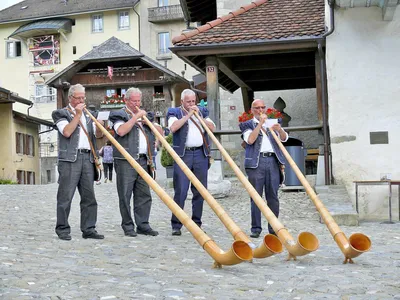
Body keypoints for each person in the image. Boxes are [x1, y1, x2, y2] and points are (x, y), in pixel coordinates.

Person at [52, 83, 104, 241]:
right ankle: (62, 229)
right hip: (69, 160)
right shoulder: (60, 113)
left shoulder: (89, 114)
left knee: (89, 197)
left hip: (87, 158)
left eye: (83, 97)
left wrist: (100, 127)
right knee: (65, 196)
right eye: (78, 98)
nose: (82, 100)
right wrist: (77, 115)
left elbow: (99, 136)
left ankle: (89, 228)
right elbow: (67, 132)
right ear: (70, 98)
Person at [109, 87, 158, 237]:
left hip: (144, 159)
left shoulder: (145, 116)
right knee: (125, 194)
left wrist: (149, 123)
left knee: (144, 194)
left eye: (138, 101)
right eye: (134, 101)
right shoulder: (118, 114)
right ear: (126, 100)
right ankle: (128, 225)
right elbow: (121, 131)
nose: (137, 103)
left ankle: (143, 224)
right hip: (126, 161)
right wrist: (135, 118)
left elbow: (159, 133)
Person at [167, 89, 215, 236]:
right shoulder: (174, 112)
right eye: (188, 102)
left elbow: (212, 128)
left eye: (193, 101)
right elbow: (173, 128)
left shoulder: (202, 111)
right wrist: (188, 115)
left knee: (200, 190)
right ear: (182, 102)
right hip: (183, 154)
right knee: (180, 191)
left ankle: (197, 223)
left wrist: (199, 115)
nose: (192, 104)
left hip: (201, 153)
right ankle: (176, 224)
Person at [239, 99, 288, 238]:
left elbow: (284, 139)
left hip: (272, 160)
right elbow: (250, 140)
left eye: (263, 107)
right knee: (256, 197)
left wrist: (280, 130)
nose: (260, 110)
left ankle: (274, 227)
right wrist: (260, 123)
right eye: (257, 108)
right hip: (256, 162)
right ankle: (256, 228)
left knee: (273, 196)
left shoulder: (273, 123)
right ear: (252, 110)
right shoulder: (246, 124)